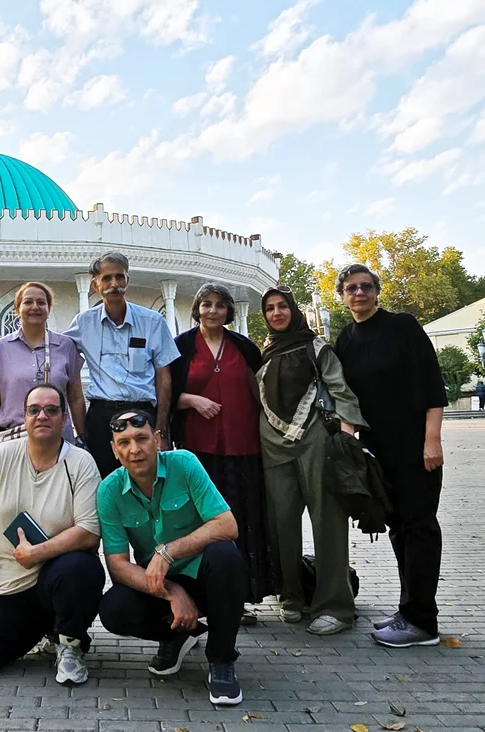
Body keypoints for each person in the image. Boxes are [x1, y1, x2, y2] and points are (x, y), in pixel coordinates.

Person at [0, 384, 104, 684]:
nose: (42, 416)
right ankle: (47, 626)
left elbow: (89, 532)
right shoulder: (1, 455)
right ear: (24, 417)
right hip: (9, 583)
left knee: (80, 567)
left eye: (51, 410)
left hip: (56, 578)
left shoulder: (81, 463)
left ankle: (70, 643)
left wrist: (37, 553)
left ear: (64, 418)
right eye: (34, 410)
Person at [97, 409, 246, 706]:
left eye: (141, 438)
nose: (134, 449)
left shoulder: (185, 463)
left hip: (204, 575)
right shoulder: (108, 491)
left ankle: (221, 659)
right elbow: (117, 564)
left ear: (157, 440)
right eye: (123, 442)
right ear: (114, 450)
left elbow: (227, 525)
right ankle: (178, 634)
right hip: (158, 585)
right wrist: (172, 593)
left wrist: (169, 551)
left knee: (225, 555)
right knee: (114, 609)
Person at [334, 264, 448, 647]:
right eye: (351, 288)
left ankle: (423, 622)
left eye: (366, 286)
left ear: (377, 291)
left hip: (415, 448)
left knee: (419, 527)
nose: (359, 293)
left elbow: (433, 386)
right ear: (342, 295)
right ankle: (408, 611)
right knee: (400, 527)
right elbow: (343, 396)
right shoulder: (346, 338)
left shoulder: (403, 327)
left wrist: (432, 440)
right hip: (378, 453)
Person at [258, 286, 365, 636]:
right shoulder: (267, 350)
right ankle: (291, 597)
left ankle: (335, 606)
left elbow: (340, 389)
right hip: (274, 447)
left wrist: (347, 435)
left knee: (328, 521)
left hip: (316, 440)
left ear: (293, 310)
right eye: (270, 308)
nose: (277, 313)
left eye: (282, 307)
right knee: (281, 524)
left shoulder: (316, 347)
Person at [170, 284, 279, 620]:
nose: (212, 311)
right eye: (206, 304)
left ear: (229, 311)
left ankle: (237, 599)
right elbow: (164, 392)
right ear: (196, 309)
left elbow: (264, 390)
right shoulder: (182, 346)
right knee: (200, 523)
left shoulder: (244, 346)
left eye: (219, 305)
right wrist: (190, 400)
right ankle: (199, 598)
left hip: (243, 447)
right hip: (198, 451)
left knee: (241, 520)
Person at [64, 251, 180, 477]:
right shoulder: (84, 323)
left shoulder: (152, 322)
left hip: (142, 414)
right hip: (101, 417)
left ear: (128, 280)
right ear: (95, 285)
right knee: (104, 483)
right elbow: (57, 349)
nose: (114, 284)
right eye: (106, 278)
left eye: (120, 277)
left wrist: (161, 428)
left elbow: (164, 377)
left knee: (146, 480)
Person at [0, 282, 87, 447]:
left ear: (48, 309)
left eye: (41, 302)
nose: (35, 307)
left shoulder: (66, 346)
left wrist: (83, 437)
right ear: (17, 309)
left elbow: (75, 398)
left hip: (57, 441)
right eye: (28, 302)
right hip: (14, 441)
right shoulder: (1, 348)